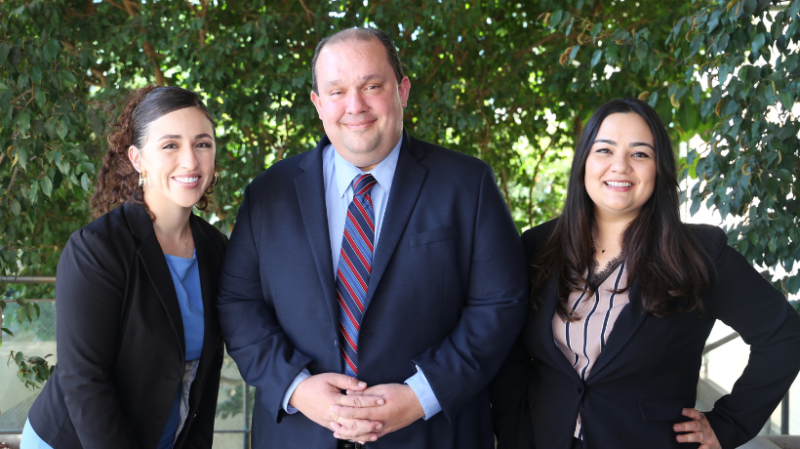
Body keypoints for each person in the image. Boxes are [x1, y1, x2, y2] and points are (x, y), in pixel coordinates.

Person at [216, 27, 527, 449]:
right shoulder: (268, 193)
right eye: (337, 91)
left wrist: (422, 396)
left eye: (372, 86)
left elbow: (499, 304)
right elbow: (238, 303)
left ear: (402, 90)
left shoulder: (467, 185)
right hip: (300, 435)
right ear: (317, 104)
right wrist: (295, 387)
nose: (355, 105)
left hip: (430, 433)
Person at [490, 97, 800, 449]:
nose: (619, 166)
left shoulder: (699, 253)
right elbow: (507, 348)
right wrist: (512, 427)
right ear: (583, 163)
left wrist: (729, 424)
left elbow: (784, 336)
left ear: (659, 169)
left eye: (640, 154)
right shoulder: (537, 245)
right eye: (604, 150)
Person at [23, 86, 227, 449]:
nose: (191, 162)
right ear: (137, 159)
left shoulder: (216, 249)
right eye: (170, 145)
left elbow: (204, 380)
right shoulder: (97, 248)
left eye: (202, 143)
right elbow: (84, 380)